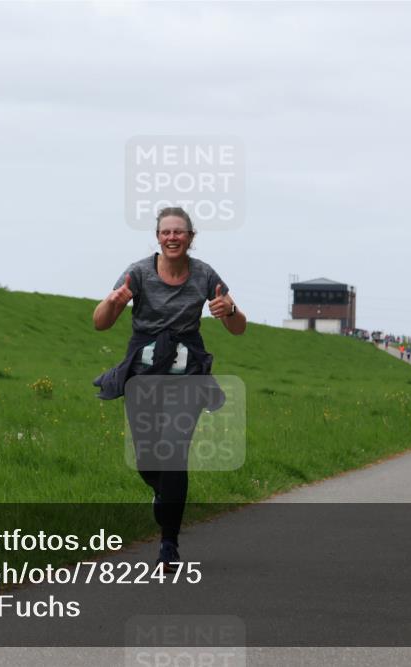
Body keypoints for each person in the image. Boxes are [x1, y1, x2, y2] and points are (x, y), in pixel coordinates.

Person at [92, 206, 246, 570]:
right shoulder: (138, 272)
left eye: (180, 232)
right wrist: (113, 302)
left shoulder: (205, 274)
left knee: (174, 451)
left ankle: (168, 544)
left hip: (187, 373)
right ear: (158, 237)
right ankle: (163, 493)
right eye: (166, 232)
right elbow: (100, 323)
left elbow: (238, 327)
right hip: (143, 373)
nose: (172, 237)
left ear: (191, 237)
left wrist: (230, 309)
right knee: (148, 458)